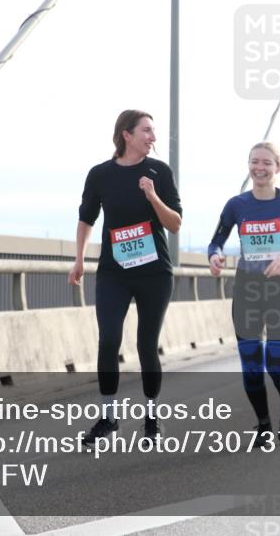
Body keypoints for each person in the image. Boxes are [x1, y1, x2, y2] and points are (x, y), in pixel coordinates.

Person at [70, 110, 182, 442]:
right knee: (108, 340)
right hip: (114, 273)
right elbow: (86, 219)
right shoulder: (100, 175)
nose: (153, 137)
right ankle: (108, 419)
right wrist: (79, 260)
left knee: (146, 345)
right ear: (126, 135)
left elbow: (175, 224)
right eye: (146, 131)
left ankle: (152, 418)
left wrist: (152, 196)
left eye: (153, 131)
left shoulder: (159, 172)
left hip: (154, 274)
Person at [208, 142, 280, 440]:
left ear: (277, 168)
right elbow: (216, 241)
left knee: (277, 362)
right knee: (252, 365)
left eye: (267, 163)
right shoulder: (236, 205)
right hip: (247, 288)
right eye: (255, 161)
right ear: (249, 165)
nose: (260, 168)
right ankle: (264, 424)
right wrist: (215, 256)